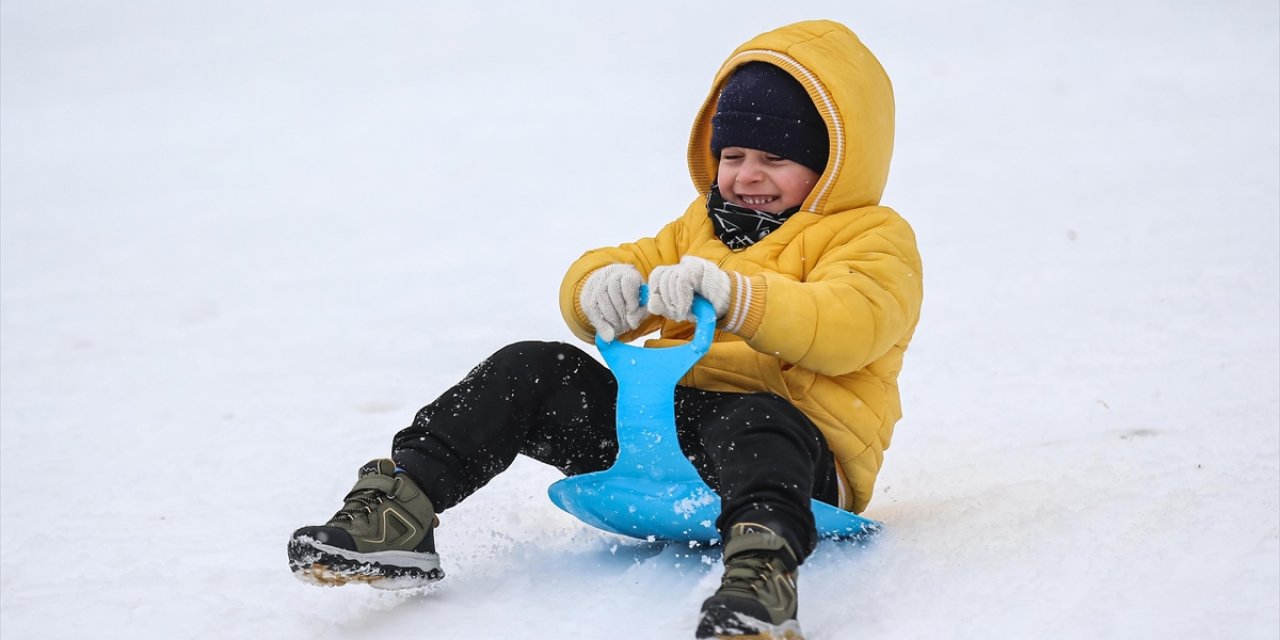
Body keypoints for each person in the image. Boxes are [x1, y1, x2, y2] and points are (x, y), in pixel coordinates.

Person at [288, 19, 922, 640]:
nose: (746, 176)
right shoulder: (698, 226)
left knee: (755, 418)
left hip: (795, 453)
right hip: (666, 434)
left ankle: (761, 571)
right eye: (732, 155)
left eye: (774, 159)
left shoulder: (873, 238)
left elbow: (853, 323)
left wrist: (743, 300)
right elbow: (626, 261)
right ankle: (402, 507)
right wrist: (598, 291)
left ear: (836, 161)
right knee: (530, 366)